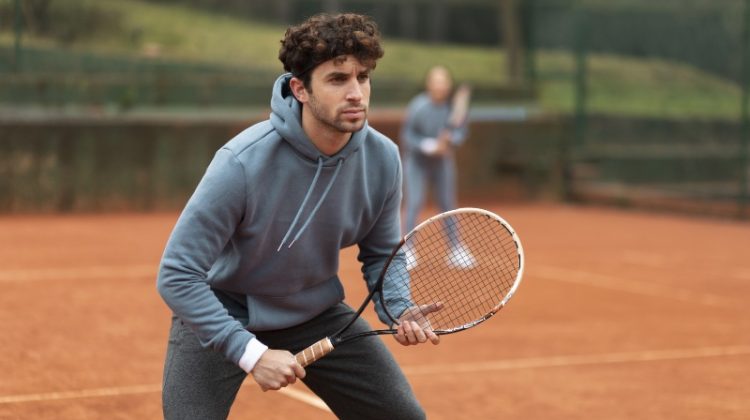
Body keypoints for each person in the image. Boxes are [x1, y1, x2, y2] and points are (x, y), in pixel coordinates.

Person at [156, 13, 438, 420]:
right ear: (300, 89)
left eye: (363, 77)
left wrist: (398, 308)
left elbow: (381, 253)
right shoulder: (241, 162)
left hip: (315, 313)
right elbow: (177, 273)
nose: (356, 92)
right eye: (338, 79)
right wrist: (252, 354)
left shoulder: (383, 158)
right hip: (226, 310)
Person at [400, 66, 474, 269]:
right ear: (429, 84)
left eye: (444, 81)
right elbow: (407, 136)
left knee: (448, 205)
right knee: (414, 203)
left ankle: (455, 249)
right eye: (437, 81)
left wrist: (451, 140)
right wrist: (429, 145)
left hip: (443, 163)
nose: (441, 86)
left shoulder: (453, 108)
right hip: (416, 162)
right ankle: (407, 249)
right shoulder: (418, 107)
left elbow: (461, 133)